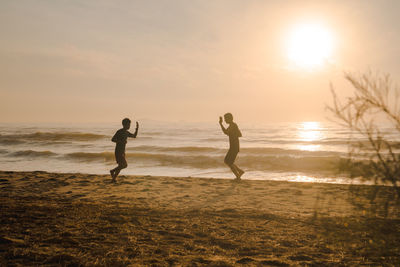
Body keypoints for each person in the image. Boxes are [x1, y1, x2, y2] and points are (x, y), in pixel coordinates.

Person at [110, 118, 139, 182]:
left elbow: (134, 136)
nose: (129, 126)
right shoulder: (119, 131)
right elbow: (113, 139)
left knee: (121, 165)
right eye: (128, 125)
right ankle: (112, 171)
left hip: (123, 151)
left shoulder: (126, 132)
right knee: (124, 165)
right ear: (124, 125)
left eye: (129, 125)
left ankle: (113, 178)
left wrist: (137, 129)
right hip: (118, 151)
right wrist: (120, 141)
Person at [219, 113, 244, 180]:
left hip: (234, 147)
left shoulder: (233, 125)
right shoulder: (232, 125)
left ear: (230, 118)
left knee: (228, 162)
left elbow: (239, 134)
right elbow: (226, 132)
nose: (225, 120)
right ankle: (240, 172)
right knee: (228, 161)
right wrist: (221, 124)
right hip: (233, 147)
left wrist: (221, 124)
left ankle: (238, 176)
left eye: (226, 119)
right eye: (224, 119)